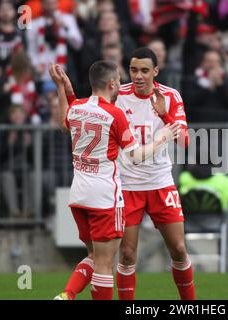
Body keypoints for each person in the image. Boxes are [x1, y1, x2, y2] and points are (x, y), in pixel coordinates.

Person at [62, 47, 193, 300]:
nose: (138, 75)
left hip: (160, 181)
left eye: (145, 70)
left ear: (156, 71)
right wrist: (66, 91)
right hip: (126, 185)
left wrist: (163, 114)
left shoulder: (170, 96)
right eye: (133, 70)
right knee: (127, 254)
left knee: (178, 248)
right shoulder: (116, 93)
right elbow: (86, 111)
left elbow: (185, 142)